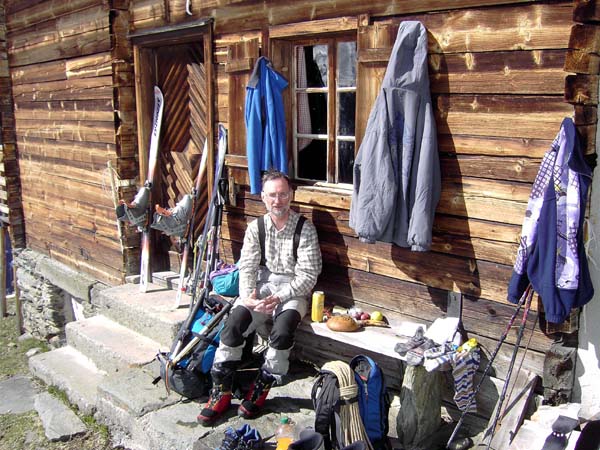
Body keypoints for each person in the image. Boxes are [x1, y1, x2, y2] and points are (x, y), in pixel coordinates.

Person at [198, 170, 322, 424]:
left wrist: (280, 297)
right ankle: (220, 391)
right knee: (233, 324)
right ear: (263, 198)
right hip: (262, 286)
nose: (278, 200)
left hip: (292, 290)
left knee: (283, 329)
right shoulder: (256, 228)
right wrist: (247, 296)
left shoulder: (305, 229)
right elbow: (247, 266)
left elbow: (308, 276)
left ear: (291, 195)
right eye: (272, 195)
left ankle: (261, 386)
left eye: (283, 194)